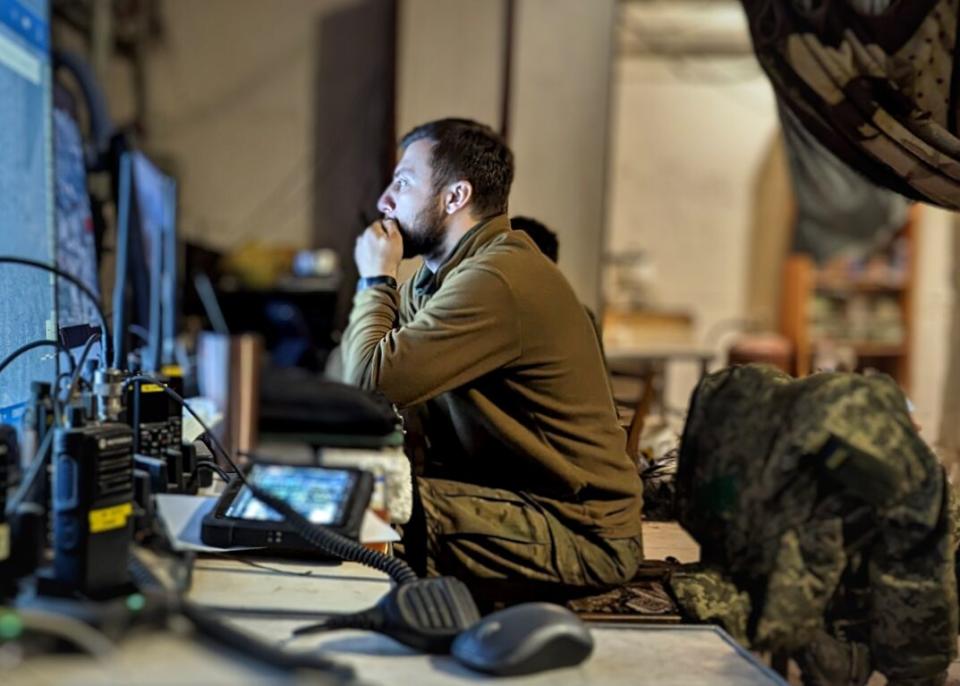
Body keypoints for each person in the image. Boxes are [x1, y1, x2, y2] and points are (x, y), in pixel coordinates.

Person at [340, 118, 643, 605]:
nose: (385, 200)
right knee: (358, 492)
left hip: (578, 532)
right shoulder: (440, 280)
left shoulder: (497, 279)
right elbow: (353, 377)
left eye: (404, 182)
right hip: (517, 507)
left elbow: (370, 381)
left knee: (378, 509)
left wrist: (375, 280)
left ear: (455, 196)